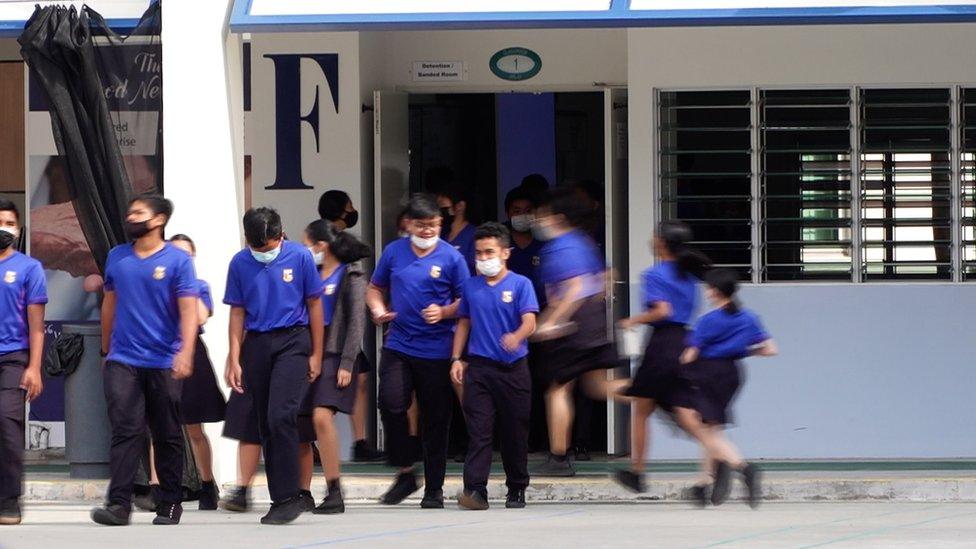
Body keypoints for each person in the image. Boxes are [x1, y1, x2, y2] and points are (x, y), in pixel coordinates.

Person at [91, 195, 199, 526]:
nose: (131, 217)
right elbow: (110, 303)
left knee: (166, 432)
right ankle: (119, 504)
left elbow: (188, 310)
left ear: (159, 220)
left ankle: (169, 502)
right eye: (130, 212)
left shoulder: (178, 261)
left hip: (164, 360)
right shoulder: (117, 256)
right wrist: (106, 349)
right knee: (126, 429)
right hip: (123, 358)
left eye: (139, 213)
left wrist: (185, 352)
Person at [366, 194, 469, 508]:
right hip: (399, 343)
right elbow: (375, 288)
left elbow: (468, 300)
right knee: (391, 402)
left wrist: (445, 311)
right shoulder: (394, 252)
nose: (427, 231)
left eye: (434, 225)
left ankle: (433, 489)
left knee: (436, 419)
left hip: (437, 349)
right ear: (409, 224)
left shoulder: (452, 257)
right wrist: (377, 309)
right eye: (422, 225)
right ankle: (406, 470)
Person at [223, 207, 324, 525]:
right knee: (265, 421)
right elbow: (237, 312)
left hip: (293, 341)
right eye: (257, 248)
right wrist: (233, 355)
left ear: (281, 235)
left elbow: (314, 303)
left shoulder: (299, 257)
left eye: (268, 247)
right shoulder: (239, 263)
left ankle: (290, 496)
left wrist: (317, 353)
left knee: (282, 415)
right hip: (257, 343)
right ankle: (280, 498)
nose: (262, 253)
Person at [613, 220, 711, 495]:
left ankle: (638, 471)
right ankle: (721, 456)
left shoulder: (654, 275)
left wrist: (633, 320)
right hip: (684, 340)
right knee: (677, 409)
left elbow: (662, 311)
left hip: (662, 343)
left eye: (656, 236)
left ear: (662, 243)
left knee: (643, 409)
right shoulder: (690, 276)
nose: (652, 239)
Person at [530, 188, 618, 477]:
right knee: (596, 386)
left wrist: (552, 321)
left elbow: (575, 288)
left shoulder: (561, 247)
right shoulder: (583, 242)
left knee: (558, 387)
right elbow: (604, 281)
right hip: (593, 323)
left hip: (575, 327)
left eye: (542, 214)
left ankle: (558, 458)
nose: (537, 219)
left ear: (557, 217)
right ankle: (649, 392)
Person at [451, 223, 538, 511]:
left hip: (513, 369)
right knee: (479, 431)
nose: (484, 258)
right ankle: (475, 491)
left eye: (489, 252)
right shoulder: (471, 286)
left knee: (514, 431)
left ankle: (516, 488)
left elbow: (530, 321)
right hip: (479, 368)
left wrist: (517, 336)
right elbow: (464, 321)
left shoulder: (520, 284)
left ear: (505, 253)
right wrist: (456, 358)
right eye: (478, 253)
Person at [679, 268, 777, 508]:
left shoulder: (708, 321)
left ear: (715, 291)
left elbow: (689, 356)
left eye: (709, 288)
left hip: (707, 374)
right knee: (712, 428)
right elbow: (771, 349)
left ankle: (743, 468)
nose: (707, 292)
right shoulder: (749, 318)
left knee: (706, 430)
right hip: (731, 374)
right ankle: (704, 485)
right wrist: (743, 350)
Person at [302, 220, 372, 513]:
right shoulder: (312, 273)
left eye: (308, 244)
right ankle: (301, 491)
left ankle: (334, 489)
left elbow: (357, 321)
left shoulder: (352, 274)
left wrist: (348, 361)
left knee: (321, 417)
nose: (306, 250)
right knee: (301, 424)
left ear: (322, 245)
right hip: (308, 351)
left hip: (335, 353)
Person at [316, 189, 383, 463]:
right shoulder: (328, 243)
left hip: (343, 336)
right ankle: (327, 444)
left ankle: (360, 441)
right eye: (349, 206)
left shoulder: (341, 243)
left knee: (361, 379)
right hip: (332, 335)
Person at [0, 199, 47, 526]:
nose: (4, 228)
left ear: (18, 229)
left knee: (7, 425)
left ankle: (8, 500)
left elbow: (36, 325)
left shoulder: (29, 268)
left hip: (13, 358)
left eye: (9, 222)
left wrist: (34, 367)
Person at [502, 186, 548, 453]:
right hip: (507, 324)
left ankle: (537, 438)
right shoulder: (500, 243)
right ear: (508, 214)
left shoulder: (544, 242)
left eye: (527, 211)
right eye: (516, 211)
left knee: (538, 382)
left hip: (539, 321)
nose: (522, 216)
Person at [435, 186, 476, 276]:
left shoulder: (474, 235)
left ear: (460, 206)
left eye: (443, 206)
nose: (440, 211)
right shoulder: (441, 235)